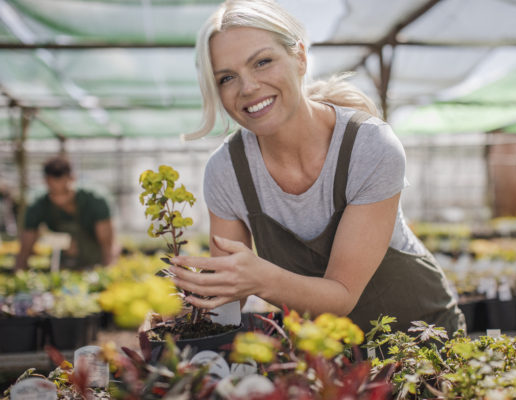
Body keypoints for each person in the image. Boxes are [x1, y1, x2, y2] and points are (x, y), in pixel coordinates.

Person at [169, 0, 465, 336]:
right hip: (324, 353)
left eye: (262, 62)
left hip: (421, 342)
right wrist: (192, 305)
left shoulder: (369, 146)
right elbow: (228, 299)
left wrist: (259, 278)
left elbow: (342, 294)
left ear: (300, 57)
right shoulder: (227, 172)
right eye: (226, 78)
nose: (247, 87)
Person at [14, 156, 117, 270]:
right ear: (45, 182)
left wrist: (108, 275)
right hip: (63, 265)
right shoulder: (37, 204)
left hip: (96, 263)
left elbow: (108, 245)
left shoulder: (95, 199)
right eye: (54, 191)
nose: (60, 199)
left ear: (72, 178)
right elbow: (25, 248)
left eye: (64, 191)